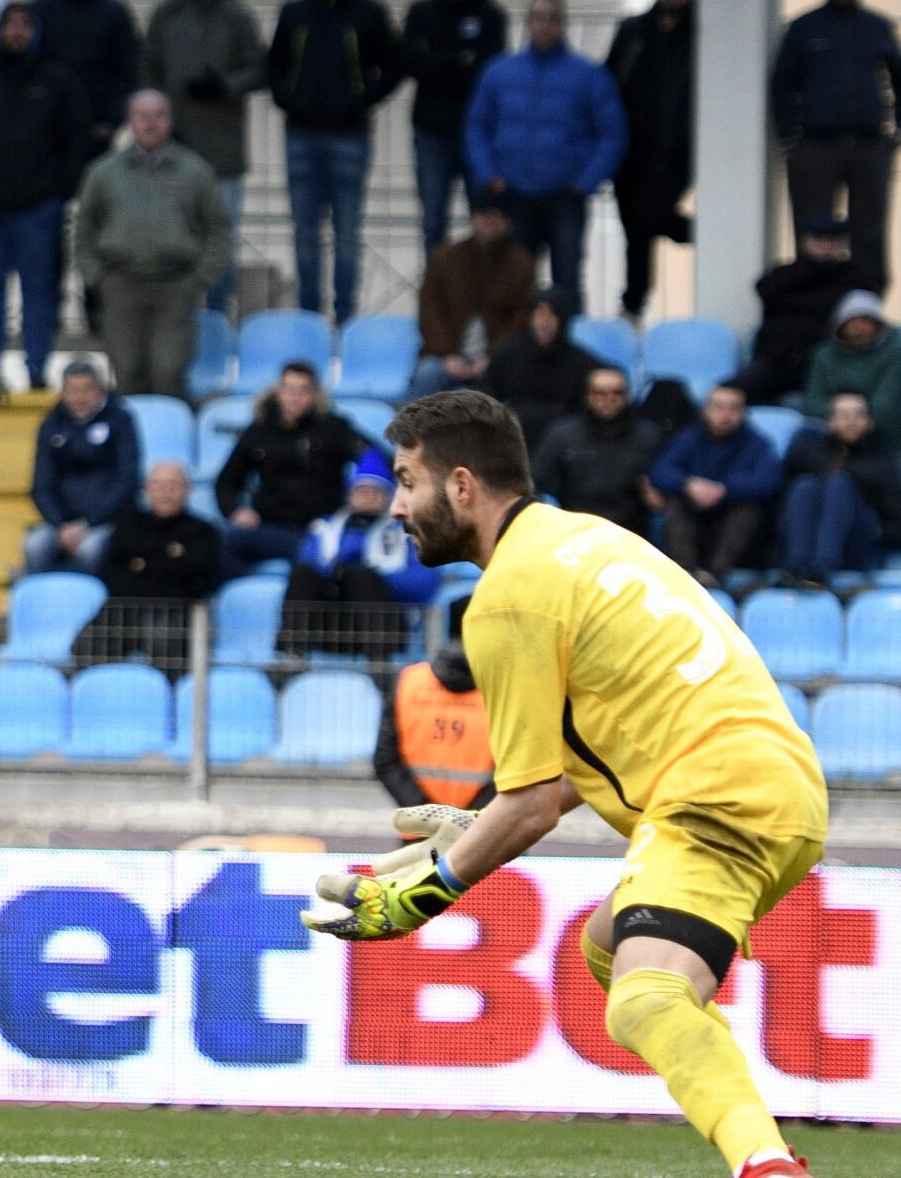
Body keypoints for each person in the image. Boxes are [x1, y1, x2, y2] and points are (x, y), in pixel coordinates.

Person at [307, 388, 828, 1178]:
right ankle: (756, 1137)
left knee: (646, 997)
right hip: (773, 781)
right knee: (609, 946)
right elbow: (578, 755)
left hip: (714, 792)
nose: (399, 506)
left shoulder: (507, 596)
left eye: (408, 481)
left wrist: (425, 892)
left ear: (460, 485)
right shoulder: (585, 538)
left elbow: (529, 806)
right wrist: (474, 823)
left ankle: (764, 1165)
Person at [0, 4, 89, 388]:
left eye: (25, 26)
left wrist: (61, 190)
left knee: (38, 289)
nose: (17, 33)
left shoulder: (58, 81)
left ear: (37, 32)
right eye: (10, 25)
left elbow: (75, 139)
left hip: (38, 205)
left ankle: (37, 366)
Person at [463, 0, 628, 306]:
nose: (545, 26)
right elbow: (476, 126)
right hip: (514, 196)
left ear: (563, 24)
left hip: (565, 198)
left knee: (567, 281)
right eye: (538, 18)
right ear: (528, 23)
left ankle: (568, 339)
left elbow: (613, 134)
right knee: (513, 282)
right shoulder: (498, 72)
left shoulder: (590, 76)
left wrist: (586, 182)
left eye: (552, 19)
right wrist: (489, 174)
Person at [72, 90, 229, 398]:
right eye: (142, 116)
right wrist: (96, 276)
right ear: (130, 121)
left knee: (169, 371)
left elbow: (218, 228)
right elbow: (84, 230)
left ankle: (169, 430)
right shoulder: (104, 172)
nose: (151, 123)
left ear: (170, 121)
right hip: (121, 285)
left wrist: (202, 277)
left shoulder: (195, 171)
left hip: (176, 285)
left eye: (159, 115)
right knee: (127, 372)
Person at [267, 0, 403, 325]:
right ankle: (309, 317)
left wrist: (360, 101)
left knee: (347, 234)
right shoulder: (294, 12)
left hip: (350, 135)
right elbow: (275, 65)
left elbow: (394, 67)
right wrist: (290, 101)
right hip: (301, 135)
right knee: (304, 233)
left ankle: (345, 317)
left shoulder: (369, 12)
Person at [142, 0, 265, 314]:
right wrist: (160, 116)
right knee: (171, 238)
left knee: (220, 239)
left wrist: (225, 86)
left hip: (222, 150)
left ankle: (217, 314)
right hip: (173, 148)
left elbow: (259, 68)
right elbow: (147, 68)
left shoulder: (236, 14)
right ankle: (175, 316)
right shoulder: (166, 13)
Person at [772, 0, 901, 291]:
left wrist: (894, 136)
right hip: (816, 144)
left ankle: (866, 304)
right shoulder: (805, 27)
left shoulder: (877, 27)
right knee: (813, 228)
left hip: (868, 143)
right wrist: (789, 139)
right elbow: (782, 84)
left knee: (869, 231)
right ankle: (812, 300)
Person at [277, 449, 439, 660]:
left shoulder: (408, 533)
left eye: (376, 491)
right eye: (362, 490)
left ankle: (379, 666)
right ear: (349, 494)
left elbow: (423, 584)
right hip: (330, 625)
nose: (368, 497)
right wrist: (338, 572)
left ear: (388, 496)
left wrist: (375, 576)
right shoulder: (324, 528)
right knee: (303, 574)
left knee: (362, 577)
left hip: (384, 627)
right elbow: (307, 565)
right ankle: (291, 656)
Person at [69, 460, 222, 677]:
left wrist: (141, 563)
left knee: (166, 650)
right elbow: (115, 572)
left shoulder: (203, 531)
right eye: (159, 485)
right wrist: (170, 555)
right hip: (124, 609)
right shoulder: (127, 524)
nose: (165, 492)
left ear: (188, 490)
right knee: (85, 647)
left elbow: (197, 574)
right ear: (146, 489)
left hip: (175, 611)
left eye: (173, 485)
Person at [213, 362, 365, 579]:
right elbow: (226, 481)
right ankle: (244, 595)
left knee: (330, 551)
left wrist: (365, 491)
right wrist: (235, 511)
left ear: (315, 395)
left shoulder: (334, 428)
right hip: (271, 527)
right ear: (278, 391)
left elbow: (373, 457)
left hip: (322, 529)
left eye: (303, 391)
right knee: (227, 539)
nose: (295, 397)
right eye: (289, 389)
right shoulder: (260, 430)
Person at [606, 0, 696, 319]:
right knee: (633, 229)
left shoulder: (701, 34)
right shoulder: (633, 30)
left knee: (649, 216)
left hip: (675, 151)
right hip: (628, 150)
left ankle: (709, 233)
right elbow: (609, 81)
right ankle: (633, 304)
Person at [401, 0, 507, 257]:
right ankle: (437, 282)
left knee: (484, 217)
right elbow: (412, 63)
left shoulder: (491, 15)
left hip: (479, 135)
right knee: (433, 220)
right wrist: (460, 57)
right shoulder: (421, 11)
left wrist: (436, 57)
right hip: (431, 130)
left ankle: (484, 283)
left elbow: (491, 69)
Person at [649, 385, 782, 587]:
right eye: (719, 407)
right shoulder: (689, 437)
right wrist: (688, 484)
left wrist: (725, 490)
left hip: (735, 528)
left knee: (748, 509)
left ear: (744, 413)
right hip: (695, 520)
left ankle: (715, 576)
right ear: (705, 410)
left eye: (734, 408)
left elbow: (769, 481)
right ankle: (686, 572)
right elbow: (660, 471)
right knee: (675, 504)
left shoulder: (758, 443)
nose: (726, 414)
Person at [732, 216, 871, 405]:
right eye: (819, 239)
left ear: (841, 244)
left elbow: (860, 308)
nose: (825, 246)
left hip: (821, 365)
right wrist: (813, 268)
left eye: (831, 240)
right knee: (730, 395)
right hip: (774, 360)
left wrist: (795, 299)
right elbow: (765, 289)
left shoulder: (851, 277)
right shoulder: (786, 273)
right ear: (807, 242)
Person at [409, 198, 534, 399]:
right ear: (473, 217)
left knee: (506, 382)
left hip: (498, 360)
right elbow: (429, 310)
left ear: (507, 222)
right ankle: (415, 421)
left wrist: (492, 357)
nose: (488, 221)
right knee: (427, 375)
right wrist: (447, 354)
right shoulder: (445, 257)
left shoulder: (521, 263)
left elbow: (521, 319)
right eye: (483, 214)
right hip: (444, 357)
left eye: (496, 216)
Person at [25, 361, 140, 574]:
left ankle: (95, 597)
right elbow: (41, 484)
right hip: (61, 522)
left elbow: (126, 481)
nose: (80, 397)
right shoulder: (51, 424)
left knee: (91, 550)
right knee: (35, 546)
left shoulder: (120, 420)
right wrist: (61, 524)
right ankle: (41, 596)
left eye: (86, 390)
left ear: (99, 390)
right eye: (73, 390)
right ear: (63, 392)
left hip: (106, 521)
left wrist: (89, 523)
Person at [778, 391, 901, 587]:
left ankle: (821, 569)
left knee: (840, 484)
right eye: (844, 415)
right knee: (805, 485)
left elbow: (896, 519)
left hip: (857, 544)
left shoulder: (883, 461)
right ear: (830, 421)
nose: (851, 422)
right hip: (806, 538)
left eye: (858, 415)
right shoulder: (808, 451)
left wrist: (879, 532)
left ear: (870, 421)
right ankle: (795, 568)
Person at [530, 367, 665, 538]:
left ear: (627, 396)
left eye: (616, 393)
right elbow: (535, 479)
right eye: (600, 393)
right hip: (574, 529)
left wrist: (656, 496)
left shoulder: (649, 436)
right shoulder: (563, 434)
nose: (608, 399)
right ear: (588, 396)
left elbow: (666, 481)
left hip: (632, 532)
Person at [373, 636, 494, 811]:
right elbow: (517, 766)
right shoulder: (503, 689)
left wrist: (425, 810)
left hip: (421, 818)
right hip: (484, 820)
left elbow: (385, 760)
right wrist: (475, 816)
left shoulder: (409, 682)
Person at [30, 0, 142, 166]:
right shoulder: (41, 9)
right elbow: (31, 68)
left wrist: (112, 120)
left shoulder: (114, 12)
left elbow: (130, 71)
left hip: (100, 126)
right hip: (50, 124)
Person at [478, 288, 600, 454]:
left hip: (563, 441)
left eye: (551, 315)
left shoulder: (580, 361)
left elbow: (606, 380)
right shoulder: (509, 353)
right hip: (514, 435)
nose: (544, 322)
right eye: (539, 314)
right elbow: (485, 391)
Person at [801, 289, 901, 448]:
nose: (858, 328)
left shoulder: (894, 351)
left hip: (879, 429)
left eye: (864, 321)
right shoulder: (824, 354)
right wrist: (841, 410)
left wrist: (854, 414)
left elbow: (885, 405)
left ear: (877, 324)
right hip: (832, 425)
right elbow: (811, 401)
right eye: (852, 322)